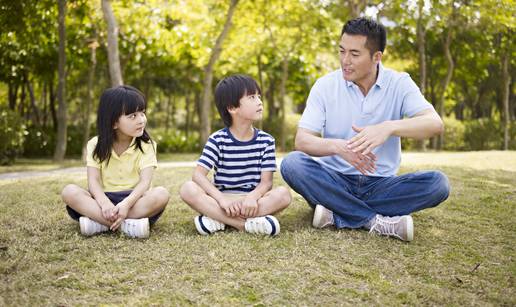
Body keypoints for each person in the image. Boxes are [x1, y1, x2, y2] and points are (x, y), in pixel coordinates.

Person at [280, 17, 450, 242]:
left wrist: (388, 128)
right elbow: (302, 141)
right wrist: (339, 148)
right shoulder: (325, 85)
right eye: (342, 51)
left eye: (354, 54)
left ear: (376, 57)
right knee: (292, 164)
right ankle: (374, 221)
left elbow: (434, 124)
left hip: (381, 184)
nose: (345, 60)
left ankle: (337, 214)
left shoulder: (399, 83)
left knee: (438, 184)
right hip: (333, 181)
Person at [180, 74, 291, 236]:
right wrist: (222, 200)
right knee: (187, 189)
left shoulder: (266, 141)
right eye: (252, 97)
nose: (260, 101)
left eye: (259, 97)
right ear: (232, 108)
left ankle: (217, 219)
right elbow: (198, 175)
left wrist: (252, 198)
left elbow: (266, 183)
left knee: (283, 194)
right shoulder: (217, 139)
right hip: (223, 199)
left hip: (252, 201)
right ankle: (244, 224)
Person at [61, 85, 170, 238]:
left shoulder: (147, 145)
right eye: (133, 116)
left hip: (135, 200)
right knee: (69, 191)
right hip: (103, 200)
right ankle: (128, 226)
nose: (141, 120)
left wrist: (126, 204)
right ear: (113, 122)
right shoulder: (95, 144)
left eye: (142, 113)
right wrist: (104, 203)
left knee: (161, 194)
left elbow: (145, 183)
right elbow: (93, 181)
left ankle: (100, 223)